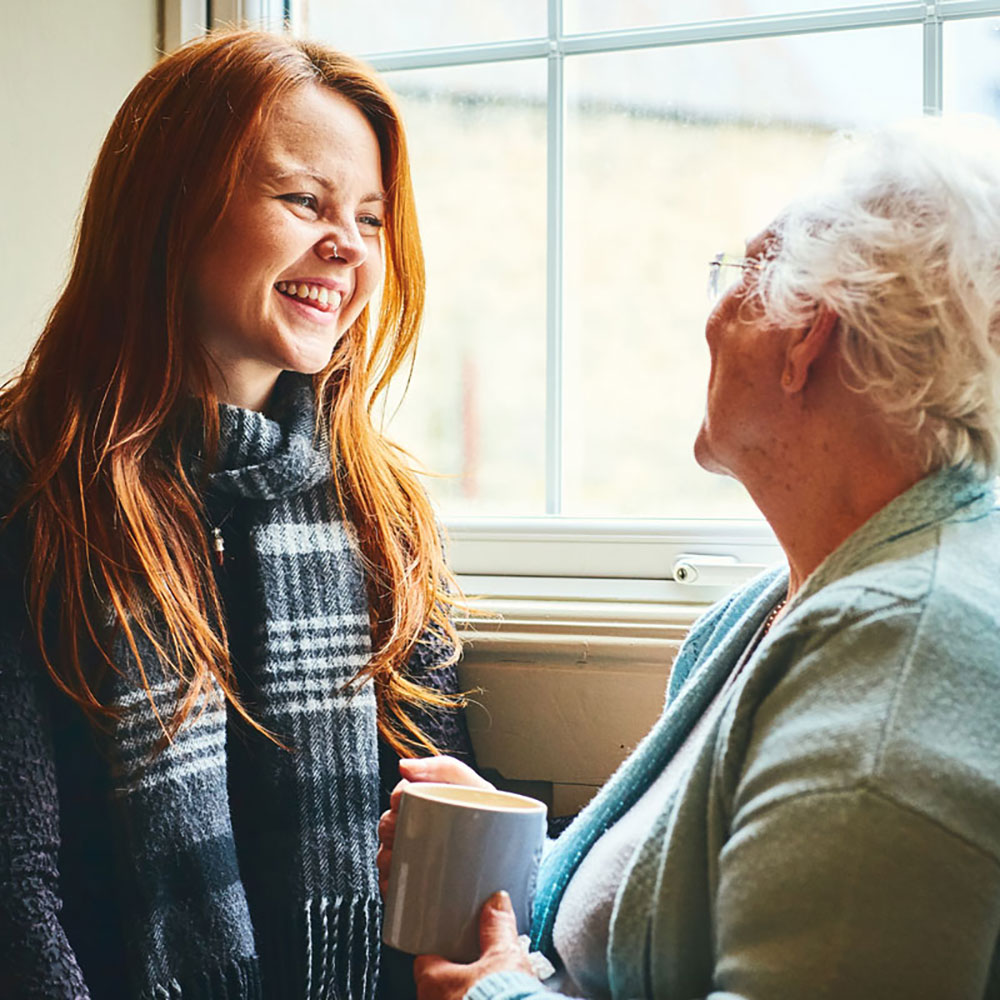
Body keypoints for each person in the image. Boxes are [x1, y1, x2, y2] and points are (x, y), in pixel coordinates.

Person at [377, 114, 1000, 999]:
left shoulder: (909, 650)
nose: (710, 317)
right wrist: (513, 855)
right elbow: (685, 908)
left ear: (808, 336)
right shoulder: (764, 614)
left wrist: (495, 995)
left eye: (739, 274)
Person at [0, 29, 475, 1000]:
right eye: (305, 201)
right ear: (172, 211)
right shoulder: (30, 488)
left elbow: (446, 839)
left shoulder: (381, 507)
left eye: (372, 217)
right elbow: (14, 886)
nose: (346, 245)